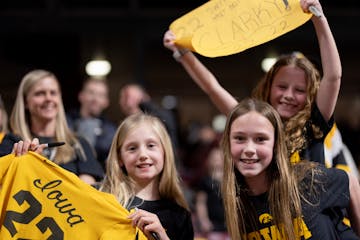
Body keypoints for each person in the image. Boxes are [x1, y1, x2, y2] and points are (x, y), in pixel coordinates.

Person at [163, 0, 341, 166]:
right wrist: (183, 53)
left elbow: (333, 77)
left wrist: (319, 19)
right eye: (282, 86)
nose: (288, 95)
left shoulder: (315, 123)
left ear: (310, 94)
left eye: (299, 90)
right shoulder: (254, 121)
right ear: (268, 87)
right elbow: (213, 88)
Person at [221, 98, 360, 239]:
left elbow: (350, 183)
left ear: (275, 145)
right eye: (239, 138)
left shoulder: (305, 180)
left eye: (261, 139)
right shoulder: (237, 202)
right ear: (228, 143)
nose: (249, 149)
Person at [99, 113, 194, 240]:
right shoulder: (105, 202)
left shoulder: (180, 217)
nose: (143, 155)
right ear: (120, 158)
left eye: (151, 146)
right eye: (132, 148)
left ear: (165, 152)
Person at [0, 69, 104, 185]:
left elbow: (86, 193)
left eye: (53, 93)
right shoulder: (10, 143)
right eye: (40, 93)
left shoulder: (80, 144)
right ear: (25, 102)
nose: (48, 98)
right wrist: (18, 163)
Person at [118, 83, 181, 166]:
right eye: (123, 97)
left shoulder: (158, 120)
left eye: (129, 97)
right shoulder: (120, 126)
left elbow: (166, 121)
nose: (127, 102)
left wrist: (144, 103)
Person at [67, 77, 117, 169]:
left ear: (106, 102)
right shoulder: (65, 123)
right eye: (91, 93)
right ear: (81, 96)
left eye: (100, 95)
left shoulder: (111, 130)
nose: (95, 99)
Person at [194, 142, 229, 240]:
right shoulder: (206, 181)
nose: (217, 161)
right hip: (213, 225)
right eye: (214, 158)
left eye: (220, 158)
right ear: (209, 161)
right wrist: (204, 220)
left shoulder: (230, 181)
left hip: (229, 225)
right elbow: (201, 203)